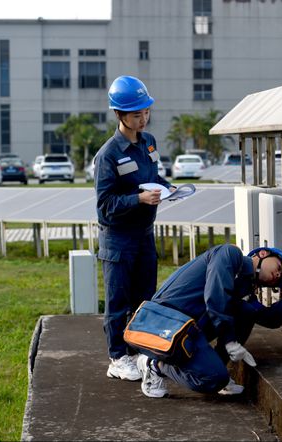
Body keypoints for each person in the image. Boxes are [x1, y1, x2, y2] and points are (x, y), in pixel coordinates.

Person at [134, 244, 282, 398]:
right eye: (279, 267)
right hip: (163, 322)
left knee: (247, 311)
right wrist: (230, 341)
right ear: (263, 253)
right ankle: (153, 365)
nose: (278, 275)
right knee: (213, 380)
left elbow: (270, 319)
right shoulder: (229, 254)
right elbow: (215, 297)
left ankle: (217, 367)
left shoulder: (244, 289)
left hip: (188, 331)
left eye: (280, 278)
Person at [95, 75, 176, 381]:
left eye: (146, 112)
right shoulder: (108, 155)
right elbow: (105, 206)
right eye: (136, 114)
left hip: (144, 234)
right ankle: (117, 358)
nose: (143, 119)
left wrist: (170, 189)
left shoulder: (149, 142)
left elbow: (153, 175)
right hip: (117, 239)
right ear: (119, 115)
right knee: (118, 301)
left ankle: (139, 350)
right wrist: (138, 199)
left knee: (145, 297)